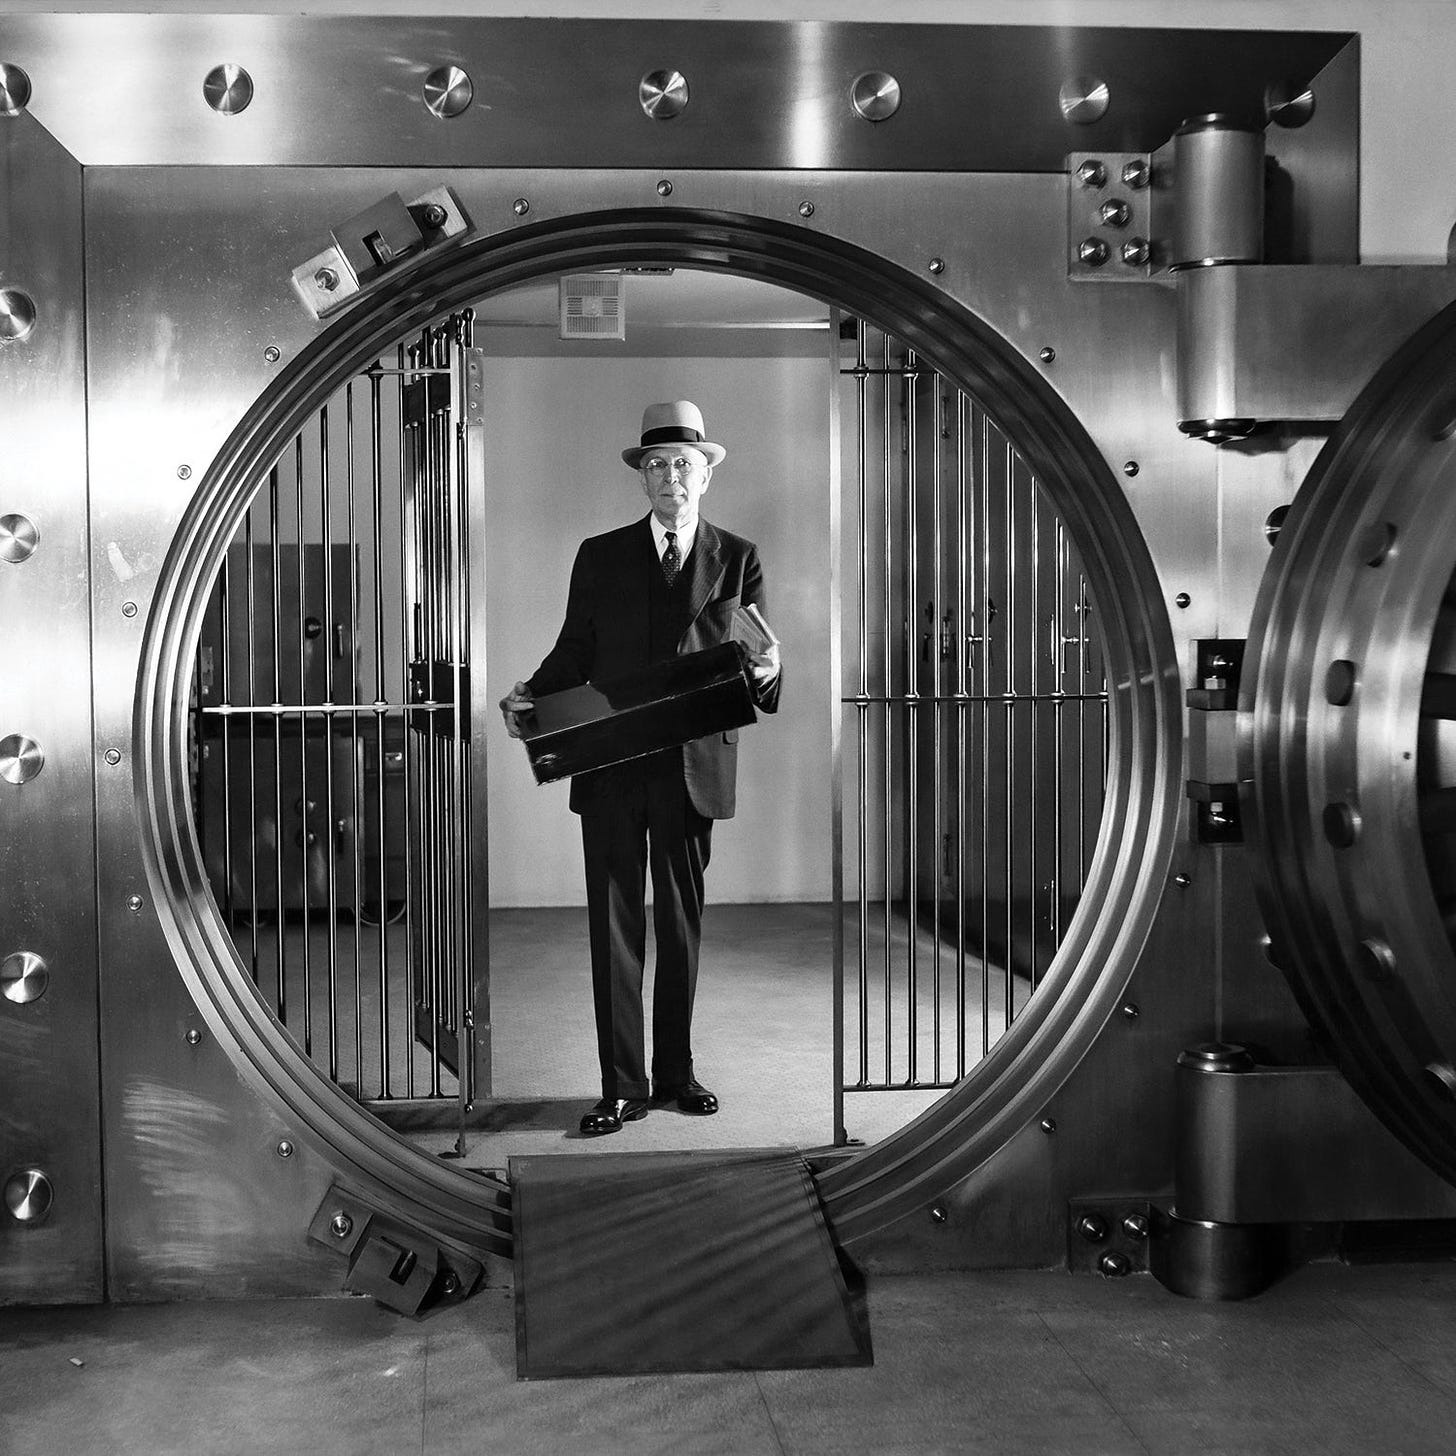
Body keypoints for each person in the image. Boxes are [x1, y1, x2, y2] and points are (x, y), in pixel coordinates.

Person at [500, 400, 782, 1136]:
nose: (670, 477)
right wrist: (531, 696)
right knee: (616, 927)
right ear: (642, 478)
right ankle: (622, 1085)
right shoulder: (600, 555)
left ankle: (677, 1074)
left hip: (694, 768)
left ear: (706, 476)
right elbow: (573, 654)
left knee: (682, 928)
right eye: (656, 464)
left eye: (683, 464)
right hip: (614, 764)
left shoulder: (739, 558)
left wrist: (772, 669)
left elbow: (755, 667)